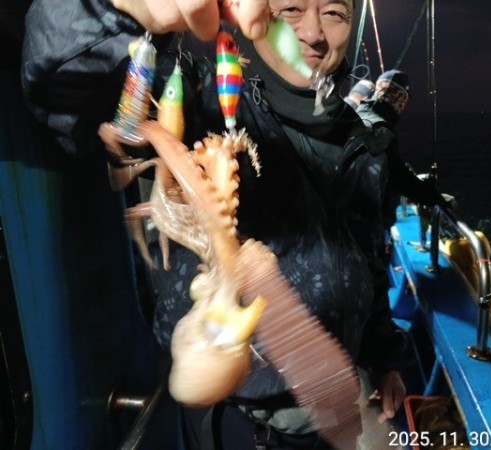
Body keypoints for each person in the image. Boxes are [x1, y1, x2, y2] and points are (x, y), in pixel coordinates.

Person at [22, 0, 448, 448]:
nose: (313, 34)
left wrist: (384, 359)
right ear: (254, 16)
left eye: (334, 14)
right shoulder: (197, 95)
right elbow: (64, 91)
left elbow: (370, 256)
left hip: (346, 393)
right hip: (242, 423)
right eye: (291, 9)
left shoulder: (365, 141)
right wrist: (114, 10)